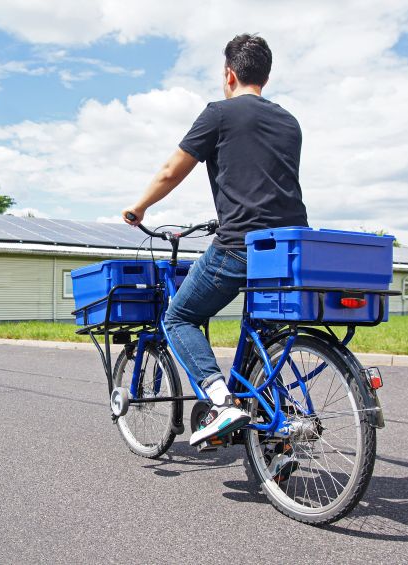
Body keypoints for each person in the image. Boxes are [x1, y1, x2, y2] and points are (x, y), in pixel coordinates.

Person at [122, 34, 308, 446]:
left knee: (178, 317)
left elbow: (172, 171)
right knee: (264, 339)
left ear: (229, 73)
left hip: (240, 246)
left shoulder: (220, 114)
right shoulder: (289, 122)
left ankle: (222, 403)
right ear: (266, 74)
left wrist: (140, 208)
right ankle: (273, 434)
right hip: (288, 251)